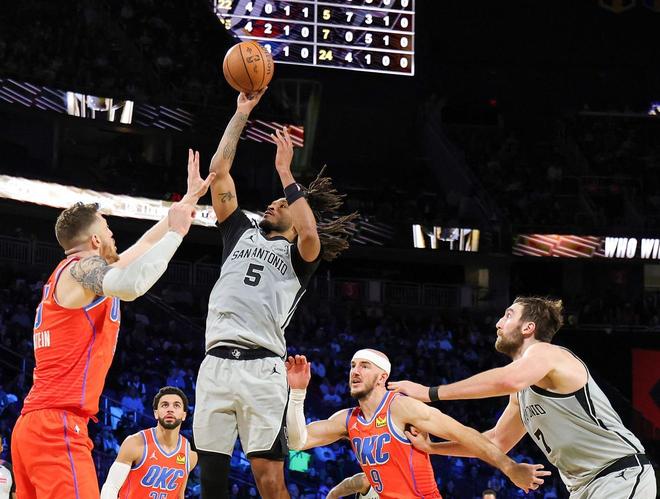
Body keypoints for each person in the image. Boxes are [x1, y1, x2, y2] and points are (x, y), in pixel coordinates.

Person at [10, 151, 214, 499]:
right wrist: (177, 235)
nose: (113, 235)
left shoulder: (78, 276)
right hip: (57, 426)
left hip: (35, 425)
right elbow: (132, 286)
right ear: (94, 241)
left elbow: (143, 246)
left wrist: (188, 201)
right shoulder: (81, 270)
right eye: (107, 229)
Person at [194, 89, 357, 498]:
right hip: (215, 363)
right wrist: (241, 113)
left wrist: (286, 173)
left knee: (269, 481)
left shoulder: (302, 256)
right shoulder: (238, 232)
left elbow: (309, 230)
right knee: (210, 481)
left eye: (281, 204)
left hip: (262, 368)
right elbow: (219, 171)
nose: (272, 205)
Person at [389, 297, 657, 499]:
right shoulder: (521, 391)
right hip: (584, 487)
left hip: (619, 475)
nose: (498, 323)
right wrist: (433, 448)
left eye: (508, 315)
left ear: (529, 327)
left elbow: (508, 379)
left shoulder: (548, 353)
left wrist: (429, 393)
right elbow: (496, 442)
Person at [285, 351, 549, 499]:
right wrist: (297, 393)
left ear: (382, 377)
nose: (355, 371)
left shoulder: (402, 407)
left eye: (364, 366)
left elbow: (464, 434)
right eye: (353, 366)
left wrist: (509, 467)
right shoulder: (347, 419)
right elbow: (298, 441)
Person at [100, 386, 197, 499]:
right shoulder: (135, 443)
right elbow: (111, 486)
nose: (170, 409)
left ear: (184, 415)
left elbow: (179, 496)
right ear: (156, 413)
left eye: (176, 405)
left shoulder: (190, 455)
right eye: (165, 405)